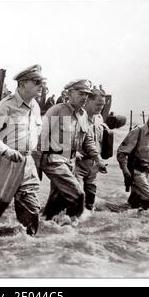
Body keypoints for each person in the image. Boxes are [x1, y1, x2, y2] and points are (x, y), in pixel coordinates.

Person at [0, 64, 45, 236]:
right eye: (36, 82)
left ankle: (25, 250)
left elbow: (35, 134)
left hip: (26, 163)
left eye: (41, 82)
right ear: (22, 84)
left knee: (32, 210)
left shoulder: (35, 106)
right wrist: (6, 150)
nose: (41, 85)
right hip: (4, 162)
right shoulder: (7, 106)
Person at [40, 79, 107, 221]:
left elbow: (88, 140)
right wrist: (37, 166)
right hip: (55, 160)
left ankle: (42, 227)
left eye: (87, 94)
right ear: (69, 93)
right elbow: (41, 137)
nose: (85, 97)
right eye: (81, 93)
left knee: (56, 202)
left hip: (70, 162)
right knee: (78, 194)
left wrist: (98, 160)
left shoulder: (83, 115)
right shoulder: (57, 110)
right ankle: (75, 228)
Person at [74, 87, 108, 210]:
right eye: (98, 104)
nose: (100, 108)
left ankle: (86, 225)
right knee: (77, 198)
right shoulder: (77, 118)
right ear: (88, 100)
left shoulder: (99, 119)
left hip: (94, 167)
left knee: (90, 200)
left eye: (103, 105)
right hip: (78, 165)